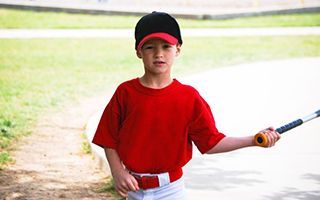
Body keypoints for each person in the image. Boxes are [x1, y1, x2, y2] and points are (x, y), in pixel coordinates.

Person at [92, 11, 281, 200]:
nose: (159, 54)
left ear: (178, 49)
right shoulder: (125, 93)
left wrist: (253, 139)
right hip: (133, 190)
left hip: (171, 191)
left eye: (166, 46)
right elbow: (108, 138)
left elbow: (211, 142)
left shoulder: (188, 97)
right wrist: (117, 171)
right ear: (138, 52)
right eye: (150, 47)